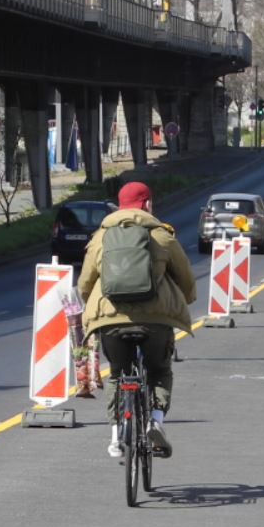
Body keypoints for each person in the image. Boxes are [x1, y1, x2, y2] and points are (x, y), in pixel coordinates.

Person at [77, 181, 197, 459]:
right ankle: (155, 419)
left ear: (119, 205)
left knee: (118, 374)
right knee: (159, 370)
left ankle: (116, 436)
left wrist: (93, 308)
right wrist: (186, 300)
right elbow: (186, 278)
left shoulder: (100, 238)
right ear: (147, 204)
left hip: (110, 320)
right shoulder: (162, 236)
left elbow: (85, 283)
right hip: (155, 319)